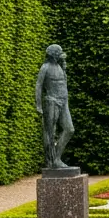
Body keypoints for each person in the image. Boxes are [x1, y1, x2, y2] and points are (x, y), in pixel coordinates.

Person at [35, 44, 79, 173]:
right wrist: (38, 104)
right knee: (50, 133)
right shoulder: (45, 67)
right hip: (51, 101)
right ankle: (52, 161)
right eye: (59, 52)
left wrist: (64, 68)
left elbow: (63, 83)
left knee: (69, 129)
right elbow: (39, 86)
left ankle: (57, 157)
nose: (61, 54)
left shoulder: (60, 66)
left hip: (63, 101)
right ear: (53, 54)